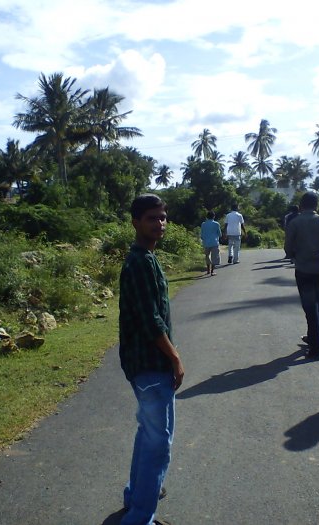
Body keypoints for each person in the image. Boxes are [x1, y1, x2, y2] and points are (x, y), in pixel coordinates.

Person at [119, 194, 184, 525]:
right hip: (150, 364)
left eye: (162, 218)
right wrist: (175, 359)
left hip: (142, 363)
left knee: (148, 434)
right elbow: (151, 321)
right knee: (159, 443)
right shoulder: (141, 262)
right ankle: (140, 517)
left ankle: (135, 496)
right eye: (151, 218)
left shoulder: (143, 258)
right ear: (135, 221)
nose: (159, 224)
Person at [284, 192, 319, 360]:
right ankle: (312, 337)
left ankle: (317, 347)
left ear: (301, 206)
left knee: (310, 307)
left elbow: (288, 248)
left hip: (303, 269)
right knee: (317, 304)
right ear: (316, 205)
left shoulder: (295, 223)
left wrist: (294, 255)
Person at [200, 210, 221, 276]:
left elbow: (202, 234)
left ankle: (208, 270)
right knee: (214, 257)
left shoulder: (203, 224)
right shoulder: (216, 224)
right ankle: (212, 271)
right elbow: (219, 234)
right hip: (214, 242)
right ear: (214, 216)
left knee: (207, 256)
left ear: (207, 217)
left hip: (206, 242)